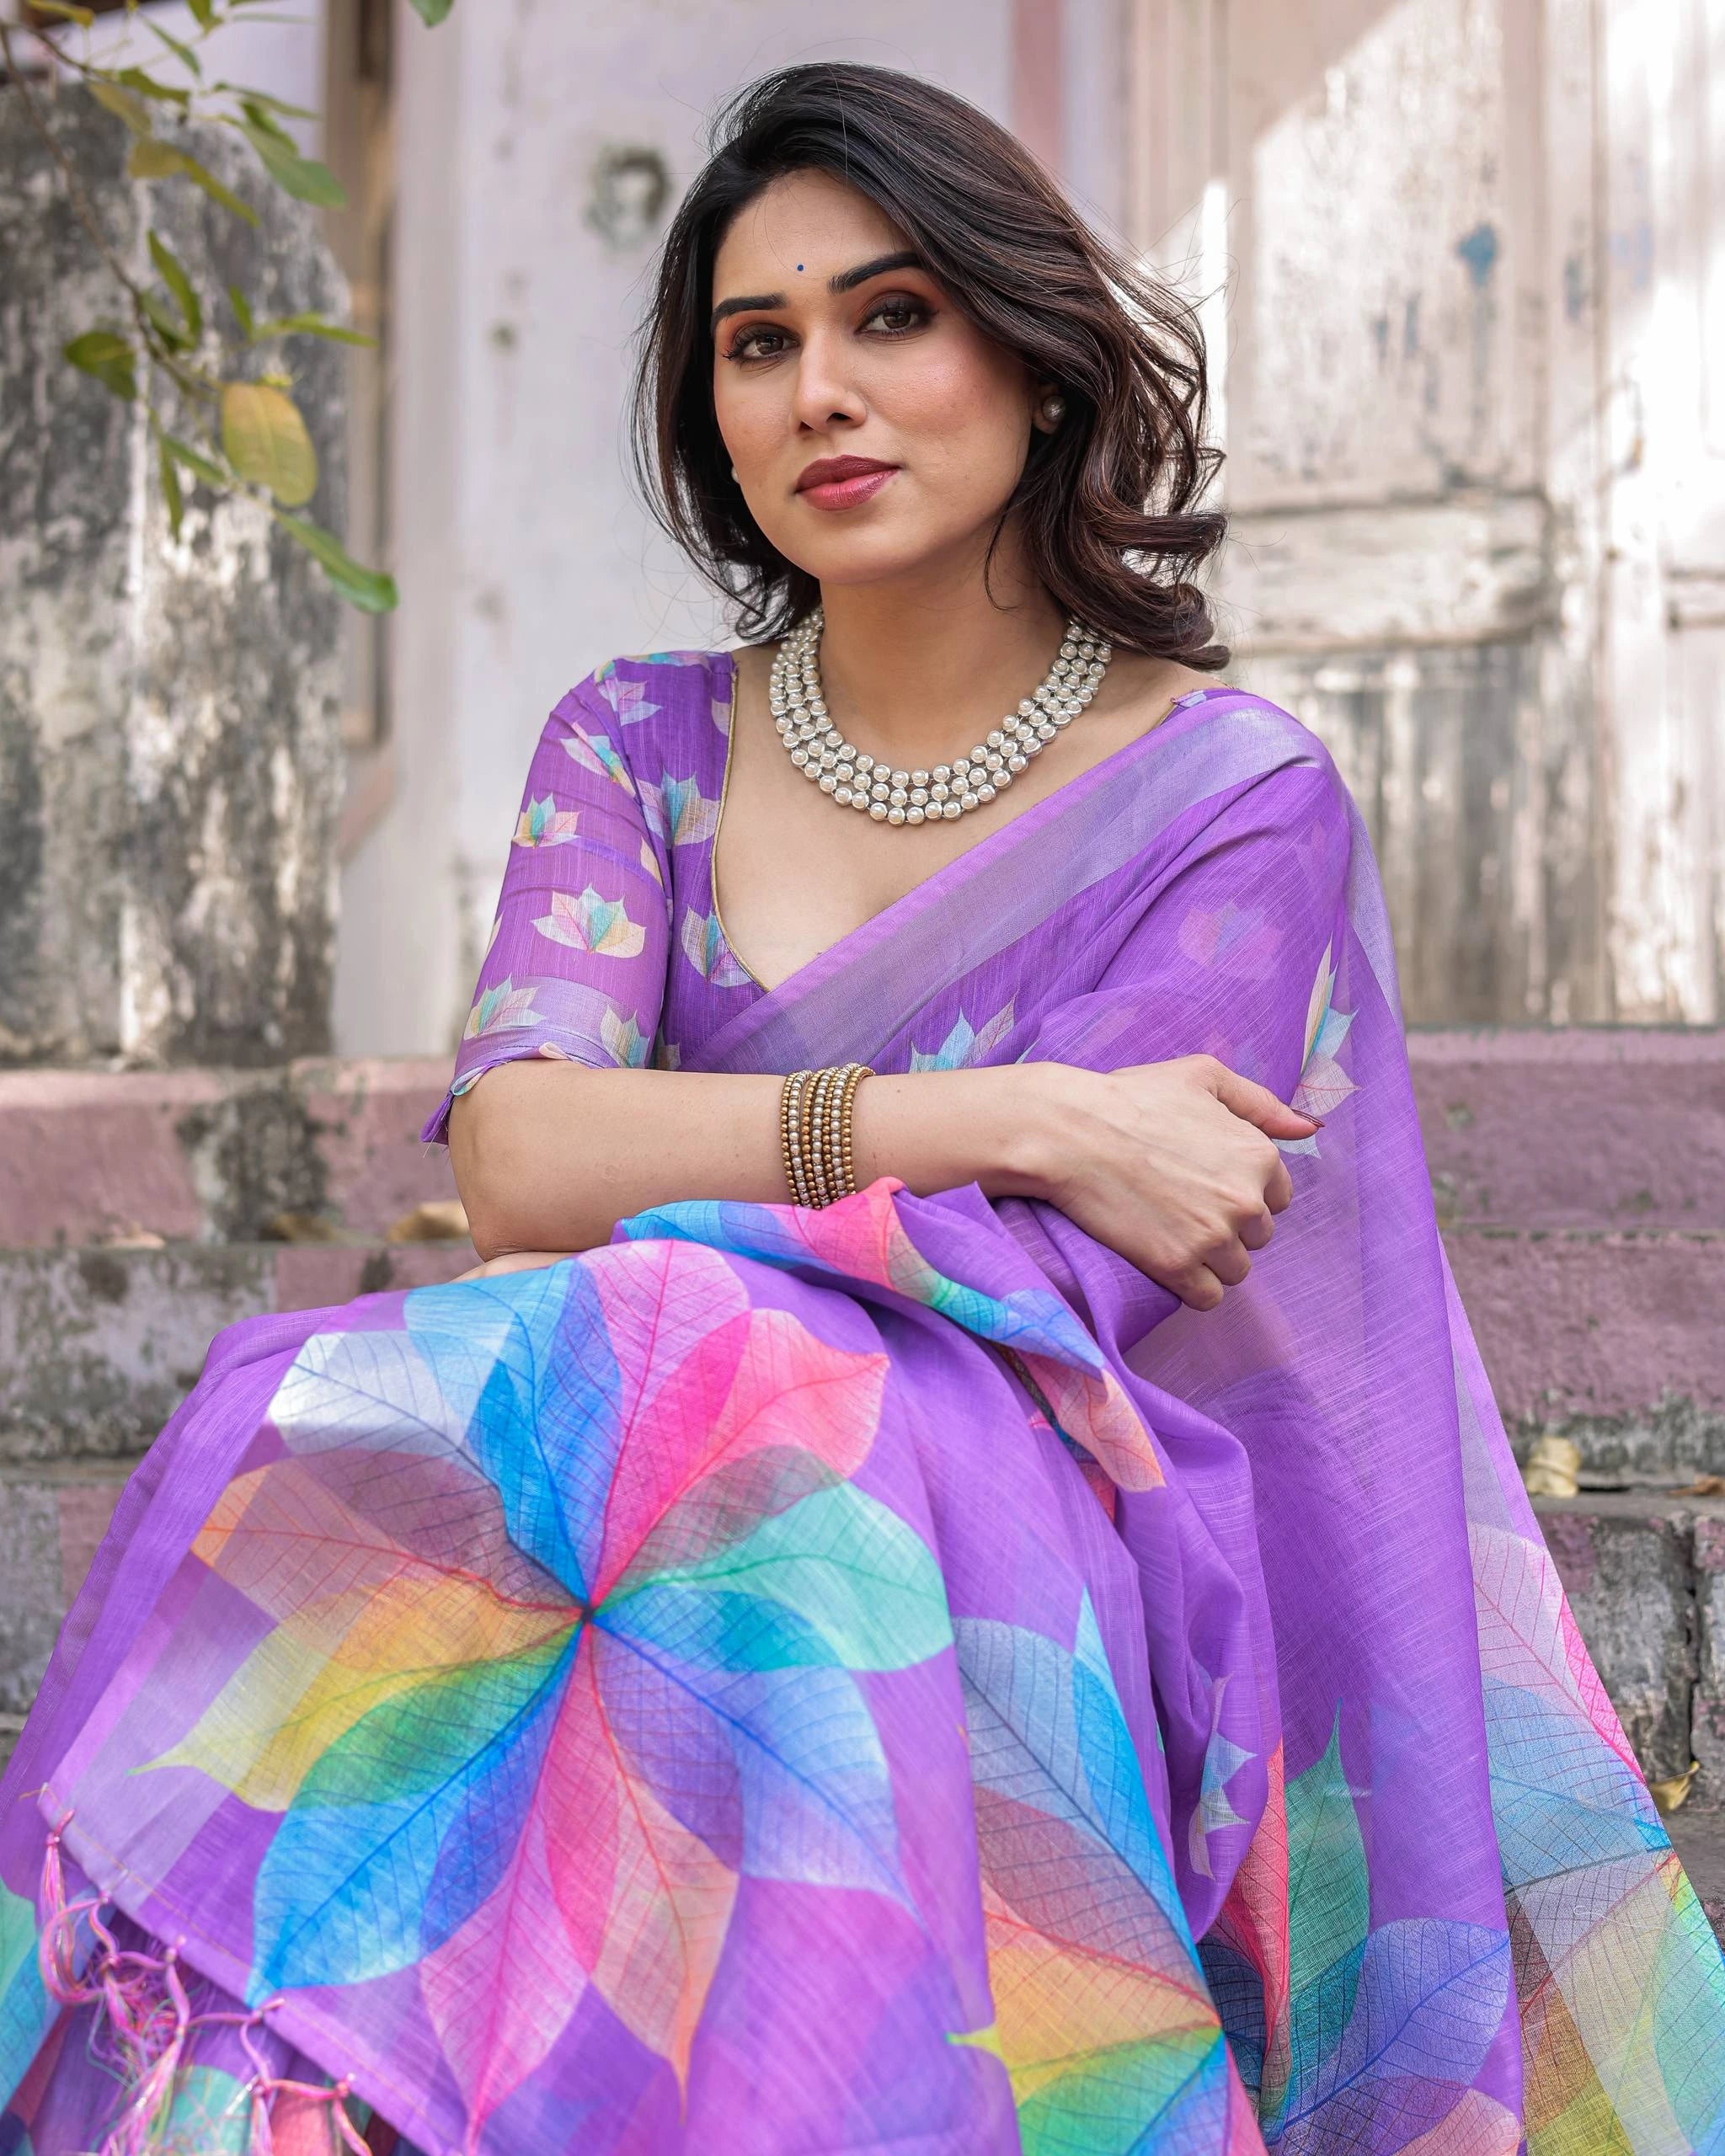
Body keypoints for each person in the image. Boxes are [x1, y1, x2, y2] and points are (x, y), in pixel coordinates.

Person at [3, 60, 1721, 2156]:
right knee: (381, 1400)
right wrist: (1012, 1106)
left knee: (717, 1371)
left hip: (1028, 1511)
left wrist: (773, 1202)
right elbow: (519, 1156)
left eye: (891, 316)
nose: (820, 389)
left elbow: (1069, 1271)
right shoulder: (636, 744)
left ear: (1036, 359)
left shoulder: (1227, 801)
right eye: (758, 343)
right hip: (665, 1464)